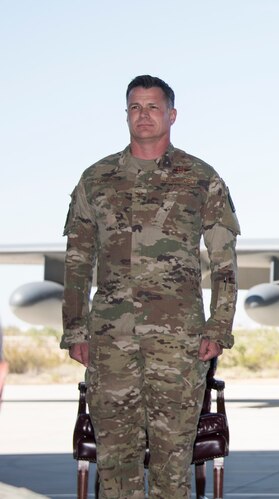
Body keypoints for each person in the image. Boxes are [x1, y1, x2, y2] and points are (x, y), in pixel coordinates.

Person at [61, 75, 240, 498]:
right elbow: (77, 262)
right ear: (126, 114)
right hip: (111, 342)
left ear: (171, 115)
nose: (144, 115)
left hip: (177, 343)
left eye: (153, 107)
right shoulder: (96, 179)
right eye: (136, 107)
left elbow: (224, 262)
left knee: (172, 463)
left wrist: (219, 327)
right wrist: (74, 329)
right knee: (116, 462)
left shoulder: (200, 178)